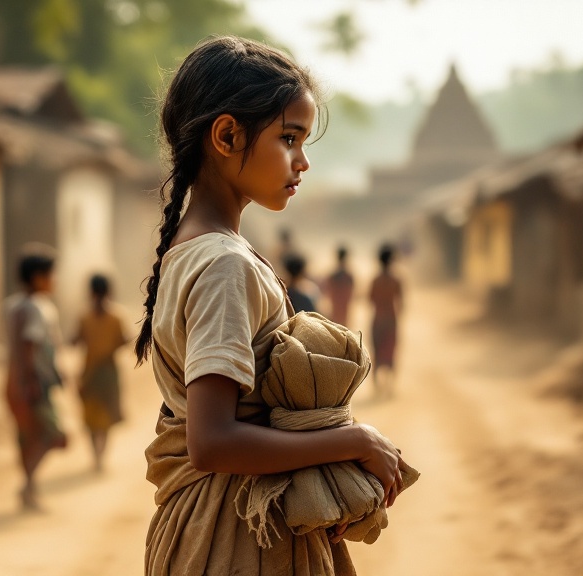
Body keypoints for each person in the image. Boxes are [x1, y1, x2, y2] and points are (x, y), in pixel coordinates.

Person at [136, 36, 407, 575]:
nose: (302, 162)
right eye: (288, 138)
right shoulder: (224, 266)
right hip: (238, 536)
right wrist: (352, 439)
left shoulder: (193, 252)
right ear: (227, 134)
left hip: (215, 527)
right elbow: (212, 442)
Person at [3, 244, 67, 511]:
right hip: (32, 384)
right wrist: (33, 381)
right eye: (51, 275)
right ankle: (28, 486)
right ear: (38, 277)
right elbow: (30, 345)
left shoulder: (12, 306)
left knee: (27, 436)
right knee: (54, 436)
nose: (54, 281)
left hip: (11, 382)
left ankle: (29, 489)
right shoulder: (38, 308)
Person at [72, 273, 128, 473]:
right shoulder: (117, 316)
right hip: (108, 372)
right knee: (106, 417)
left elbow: (75, 340)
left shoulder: (84, 316)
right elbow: (124, 340)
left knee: (91, 418)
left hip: (89, 372)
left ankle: (95, 456)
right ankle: (101, 456)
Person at [369, 244, 404, 399]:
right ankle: (390, 386)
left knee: (376, 353)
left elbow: (370, 299)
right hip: (391, 320)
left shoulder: (375, 280)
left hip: (377, 320)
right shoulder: (396, 280)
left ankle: (377, 386)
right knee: (391, 353)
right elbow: (401, 303)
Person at [323, 245, 355, 327]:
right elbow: (352, 292)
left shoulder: (333, 275)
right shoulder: (348, 276)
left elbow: (328, 291)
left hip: (335, 305)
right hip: (344, 305)